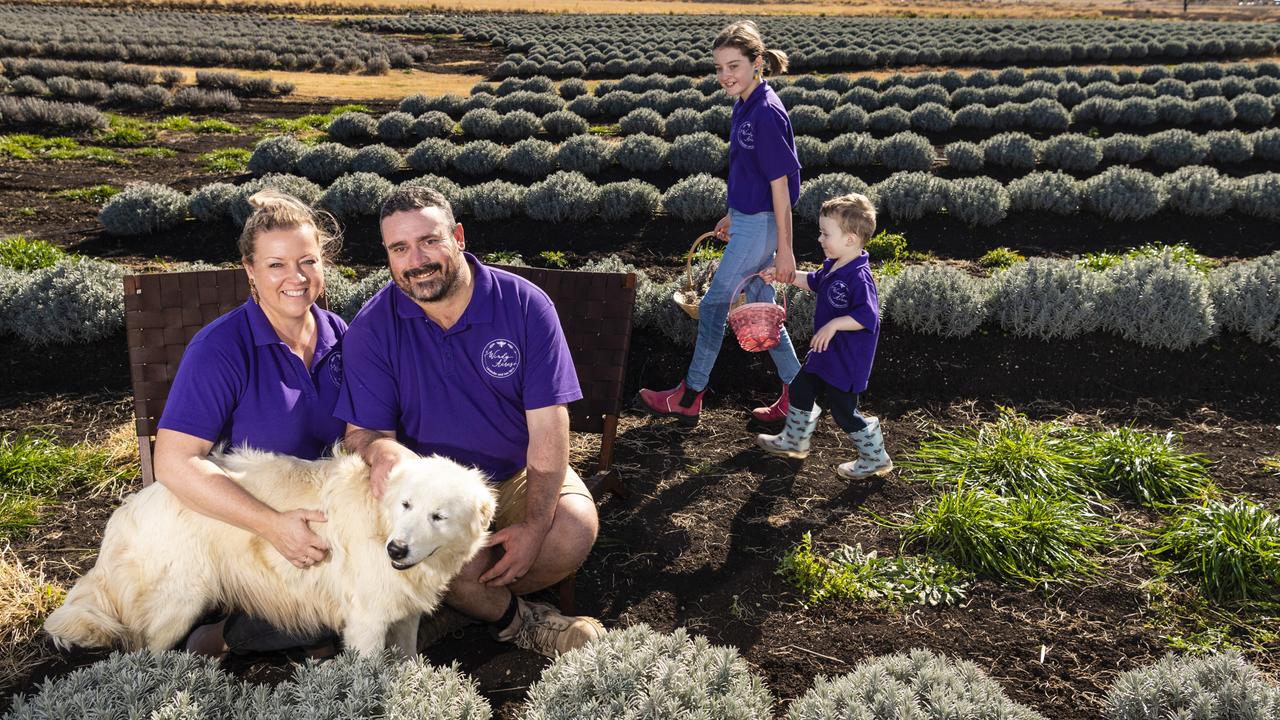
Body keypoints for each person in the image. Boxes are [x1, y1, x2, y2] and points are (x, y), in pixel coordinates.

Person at [335, 185, 605, 659]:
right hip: (432, 495)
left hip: (514, 471)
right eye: (399, 248)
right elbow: (362, 434)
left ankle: (448, 608)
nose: (415, 260)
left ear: (458, 236)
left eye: (429, 241)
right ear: (388, 256)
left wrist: (537, 525)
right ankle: (520, 620)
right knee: (444, 559)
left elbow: (549, 427)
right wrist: (379, 450)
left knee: (572, 529)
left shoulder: (523, 304)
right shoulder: (374, 327)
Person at [153, 189, 347, 656]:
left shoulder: (343, 334)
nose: (295, 278)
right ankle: (216, 638)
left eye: (308, 261)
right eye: (276, 264)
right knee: (317, 621)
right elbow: (175, 464)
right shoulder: (220, 349)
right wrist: (274, 525)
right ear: (250, 270)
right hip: (254, 532)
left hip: (333, 520)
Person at [638, 19, 803, 428]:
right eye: (719, 68)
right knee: (762, 309)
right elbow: (750, 172)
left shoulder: (765, 112)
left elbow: (781, 188)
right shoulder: (744, 103)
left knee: (714, 305)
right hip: (749, 220)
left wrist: (785, 249)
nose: (724, 76)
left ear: (757, 62)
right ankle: (800, 394)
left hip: (763, 226)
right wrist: (734, 212)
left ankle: (690, 395)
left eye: (734, 66)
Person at [756, 193, 893, 480]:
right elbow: (813, 281)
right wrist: (785, 275)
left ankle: (874, 457)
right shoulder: (835, 264)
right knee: (800, 389)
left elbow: (866, 317)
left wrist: (833, 326)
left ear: (851, 239)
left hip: (846, 361)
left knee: (844, 413)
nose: (820, 239)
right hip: (825, 354)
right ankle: (794, 441)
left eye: (825, 233)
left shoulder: (860, 277)